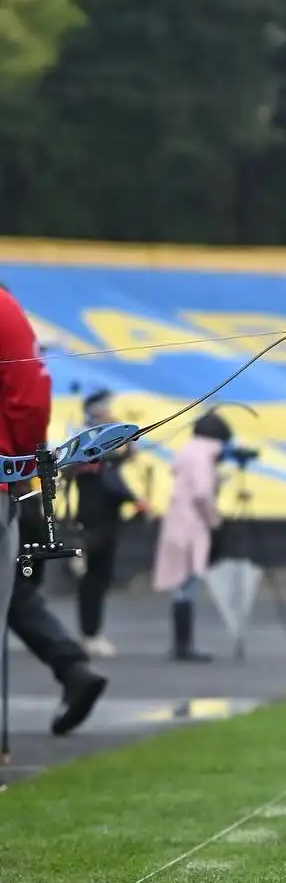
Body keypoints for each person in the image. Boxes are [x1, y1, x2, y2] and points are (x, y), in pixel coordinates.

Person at [0, 283, 109, 737]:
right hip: (13, 485)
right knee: (15, 598)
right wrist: (29, 463)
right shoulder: (5, 310)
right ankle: (71, 667)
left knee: (17, 599)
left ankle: (71, 667)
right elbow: (30, 400)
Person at [67, 389, 149, 659]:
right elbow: (106, 478)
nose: (108, 410)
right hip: (92, 522)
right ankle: (88, 634)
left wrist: (129, 443)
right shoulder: (85, 441)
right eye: (103, 407)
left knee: (99, 580)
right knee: (91, 581)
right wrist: (133, 499)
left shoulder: (104, 443)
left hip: (107, 520)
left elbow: (115, 464)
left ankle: (92, 632)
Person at [152, 409, 231, 663]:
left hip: (176, 521)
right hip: (193, 525)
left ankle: (180, 643)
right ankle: (184, 646)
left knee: (181, 585)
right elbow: (202, 494)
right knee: (188, 584)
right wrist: (214, 521)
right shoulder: (205, 455)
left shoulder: (187, 451)